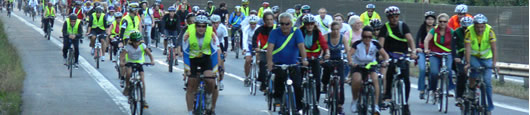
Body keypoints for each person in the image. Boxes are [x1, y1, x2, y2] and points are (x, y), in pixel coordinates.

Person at [266, 12, 308, 113]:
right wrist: (270, 62)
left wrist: (304, 59)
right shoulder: (274, 32)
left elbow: (301, 47)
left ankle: (298, 107)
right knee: (279, 79)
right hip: (279, 63)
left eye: (287, 24)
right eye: (282, 24)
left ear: (291, 23)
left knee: (297, 85)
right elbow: (270, 49)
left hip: (293, 63)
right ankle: (278, 99)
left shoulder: (296, 32)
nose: (284, 26)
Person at [378, 6, 417, 115]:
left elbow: (410, 39)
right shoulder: (384, 28)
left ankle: (405, 103)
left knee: (406, 78)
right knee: (389, 70)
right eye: (391, 17)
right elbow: (380, 44)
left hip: (402, 55)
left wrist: (413, 52)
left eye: (396, 16)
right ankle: (388, 95)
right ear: (388, 18)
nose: (394, 19)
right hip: (389, 54)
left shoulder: (402, 26)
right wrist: (382, 56)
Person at [182, 15, 222, 115]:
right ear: (195, 26)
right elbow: (186, 53)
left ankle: (209, 97)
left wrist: (215, 71)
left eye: (203, 26)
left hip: (206, 58)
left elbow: (214, 54)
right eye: (199, 26)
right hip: (192, 59)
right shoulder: (188, 34)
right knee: (191, 85)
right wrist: (187, 70)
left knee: (210, 80)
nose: (201, 28)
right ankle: (190, 112)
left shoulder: (212, 34)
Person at [348, 26, 389, 114]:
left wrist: (386, 61)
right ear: (362, 37)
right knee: (356, 80)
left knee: (375, 79)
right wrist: (351, 62)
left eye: (369, 37)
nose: (367, 39)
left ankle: (376, 105)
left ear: (372, 37)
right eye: (365, 37)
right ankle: (355, 100)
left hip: (371, 65)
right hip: (358, 65)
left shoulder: (375, 44)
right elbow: (349, 54)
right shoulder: (357, 44)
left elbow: (385, 55)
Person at [464, 14, 497, 114]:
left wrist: (494, 63)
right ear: (474, 25)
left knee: (487, 82)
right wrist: (468, 63)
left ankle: (489, 106)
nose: (480, 29)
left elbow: (494, 47)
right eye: (477, 27)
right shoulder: (469, 31)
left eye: (482, 27)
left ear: (485, 26)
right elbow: (468, 48)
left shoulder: (490, 31)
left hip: (486, 57)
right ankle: (471, 89)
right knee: (475, 68)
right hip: (474, 56)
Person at [119, 31, 155, 108]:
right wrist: (122, 62)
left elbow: (149, 54)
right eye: (134, 42)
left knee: (142, 79)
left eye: (138, 42)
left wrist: (152, 61)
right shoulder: (128, 47)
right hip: (130, 62)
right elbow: (122, 56)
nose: (136, 44)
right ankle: (127, 87)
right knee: (128, 73)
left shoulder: (142, 46)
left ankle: (144, 99)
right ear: (132, 41)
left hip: (139, 62)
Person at [424, 13, 455, 100]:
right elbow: (426, 40)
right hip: (435, 54)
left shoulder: (451, 31)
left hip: (447, 53)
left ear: (447, 22)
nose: (442, 23)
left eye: (445, 22)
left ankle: (450, 88)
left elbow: (455, 41)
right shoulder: (434, 30)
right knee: (434, 72)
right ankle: (432, 89)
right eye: (440, 21)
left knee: (448, 70)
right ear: (438, 22)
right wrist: (426, 49)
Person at [300, 14, 329, 103]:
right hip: (303, 58)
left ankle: (315, 102)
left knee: (317, 81)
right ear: (304, 25)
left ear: (314, 24)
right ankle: (300, 99)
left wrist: (327, 53)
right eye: (307, 24)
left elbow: (324, 44)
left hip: (314, 58)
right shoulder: (300, 32)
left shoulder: (317, 33)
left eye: (311, 24)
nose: (310, 26)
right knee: (298, 80)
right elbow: (296, 44)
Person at [320, 22, 348, 114]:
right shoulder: (326, 37)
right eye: (333, 29)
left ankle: (340, 105)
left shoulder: (342, 38)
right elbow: (321, 49)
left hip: (338, 60)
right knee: (326, 71)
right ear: (331, 29)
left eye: (337, 29)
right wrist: (321, 58)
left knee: (341, 83)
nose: (335, 31)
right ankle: (325, 84)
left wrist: (350, 60)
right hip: (328, 59)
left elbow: (347, 50)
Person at [251, 12, 276, 91]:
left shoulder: (277, 29)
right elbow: (255, 39)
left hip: (276, 52)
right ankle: (263, 83)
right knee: (262, 65)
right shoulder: (260, 29)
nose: (269, 21)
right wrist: (256, 47)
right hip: (264, 51)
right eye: (267, 20)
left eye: (271, 19)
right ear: (264, 20)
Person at [415, 11, 436, 99]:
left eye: (432, 19)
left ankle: (433, 89)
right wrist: (417, 48)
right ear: (425, 20)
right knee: (422, 69)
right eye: (428, 19)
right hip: (422, 50)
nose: (430, 21)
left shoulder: (436, 28)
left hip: (433, 50)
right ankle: (422, 90)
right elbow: (417, 38)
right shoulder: (422, 27)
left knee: (433, 71)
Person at [454, 16, 473, 106]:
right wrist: (455, 56)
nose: (466, 30)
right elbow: (453, 46)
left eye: (468, 27)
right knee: (461, 74)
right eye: (465, 28)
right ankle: (459, 96)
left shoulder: (474, 32)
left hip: (472, 55)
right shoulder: (457, 32)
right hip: (460, 55)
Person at [211, 14, 228, 90]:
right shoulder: (209, 28)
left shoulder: (223, 28)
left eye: (217, 23)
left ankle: (221, 81)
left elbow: (226, 40)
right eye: (213, 23)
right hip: (211, 44)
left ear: (219, 22)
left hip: (220, 44)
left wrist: (225, 51)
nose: (215, 25)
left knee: (221, 63)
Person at [242, 15, 261, 86]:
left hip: (257, 44)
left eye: (254, 24)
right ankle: (247, 77)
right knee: (248, 61)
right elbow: (245, 39)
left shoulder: (259, 28)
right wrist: (245, 49)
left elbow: (260, 39)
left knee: (259, 60)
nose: (252, 25)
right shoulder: (246, 28)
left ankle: (259, 73)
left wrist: (258, 48)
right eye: (251, 24)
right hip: (249, 44)